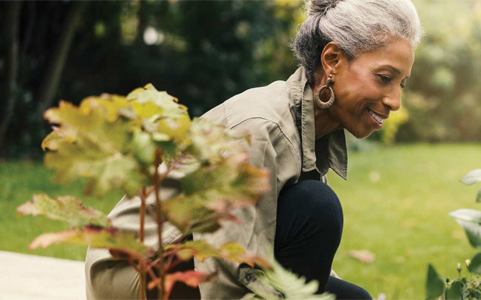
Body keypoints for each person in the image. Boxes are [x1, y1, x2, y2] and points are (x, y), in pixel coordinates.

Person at [85, 0, 422, 299]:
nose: (394, 100)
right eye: (384, 77)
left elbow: (298, 256)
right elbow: (224, 273)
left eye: (401, 83)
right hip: (136, 271)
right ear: (332, 59)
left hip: (192, 257)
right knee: (318, 208)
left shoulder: (314, 123)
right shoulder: (262, 128)